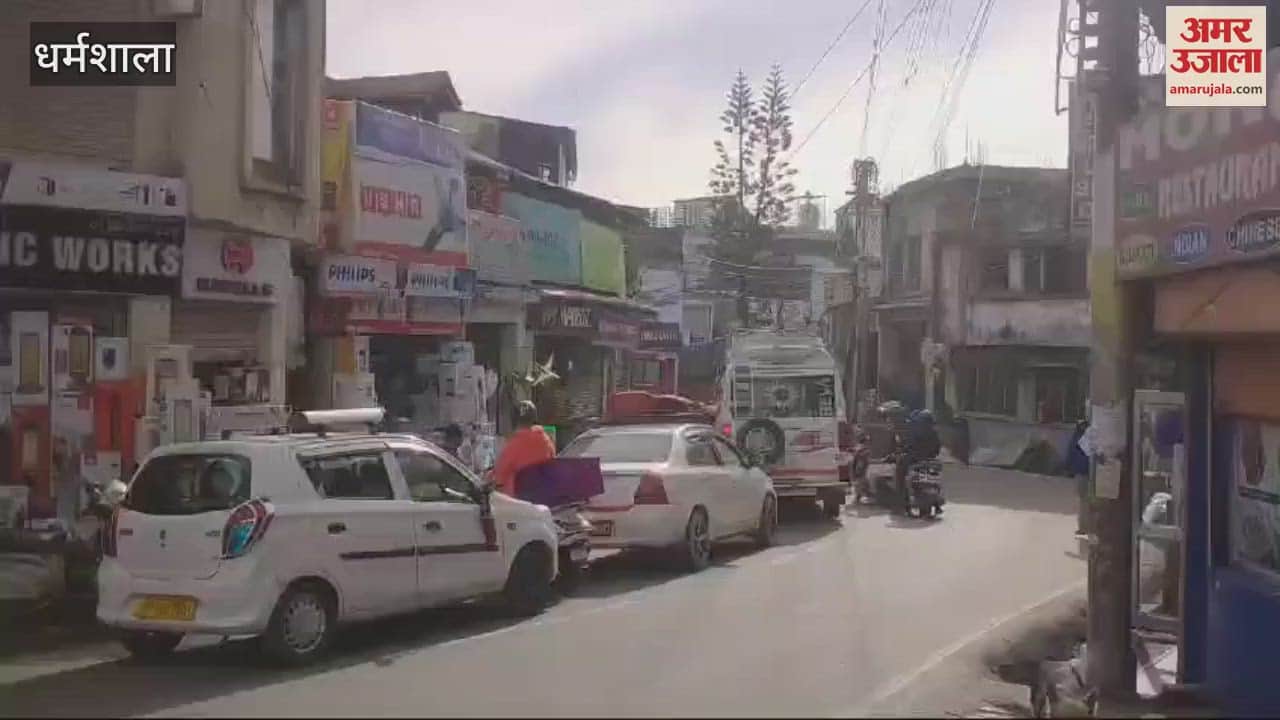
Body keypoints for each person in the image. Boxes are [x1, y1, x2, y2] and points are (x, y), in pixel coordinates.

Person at [493, 401, 556, 497]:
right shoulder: (546, 441)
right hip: (544, 500)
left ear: (513, 421)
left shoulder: (512, 446)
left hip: (518, 504)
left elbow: (498, 478)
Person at [894, 409, 941, 515]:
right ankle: (937, 505)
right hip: (930, 460)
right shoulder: (934, 432)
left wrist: (903, 449)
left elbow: (907, 445)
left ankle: (902, 501)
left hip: (915, 459)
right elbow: (937, 448)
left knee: (900, 472)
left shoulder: (915, 430)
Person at [1066, 419, 1091, 536]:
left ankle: (1083, 528)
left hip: (1082, 474)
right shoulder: (1089, 440)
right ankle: (1086, 527)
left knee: (1083, 502)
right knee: (1086, 502)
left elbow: (1070, 455)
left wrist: (1069, 469)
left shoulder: (1076, 439)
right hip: (1089, 473)